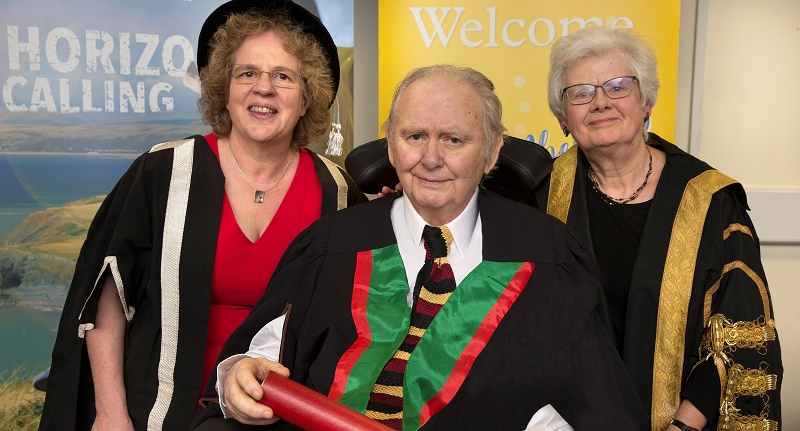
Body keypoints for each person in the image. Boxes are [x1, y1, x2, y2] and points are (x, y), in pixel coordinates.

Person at [191, 64, 648, 430]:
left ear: (491, 153)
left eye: (454, 139)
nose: (431, 158)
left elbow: (595, 404)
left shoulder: (549, 256)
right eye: (415, 137)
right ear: (390, 145)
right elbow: (262, 358)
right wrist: (239, 377)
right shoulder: (330, 246)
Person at [39, 1, 366, 430]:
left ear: (307, 99)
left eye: (284, 77)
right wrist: (111, 412)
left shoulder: (338, 193)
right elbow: (109, 301)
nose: (263, 88)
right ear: (223, 88)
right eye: (247, 73)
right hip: (156, 412)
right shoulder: (163, 172)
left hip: (276, 417)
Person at [535, 26, 782, 431]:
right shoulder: (539, 197)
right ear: (563, 118)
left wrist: (682, 427)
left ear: (646, 101)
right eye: (580, 92)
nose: (600, 102)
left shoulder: (713, 202)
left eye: (617, 87)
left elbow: (738, 333)